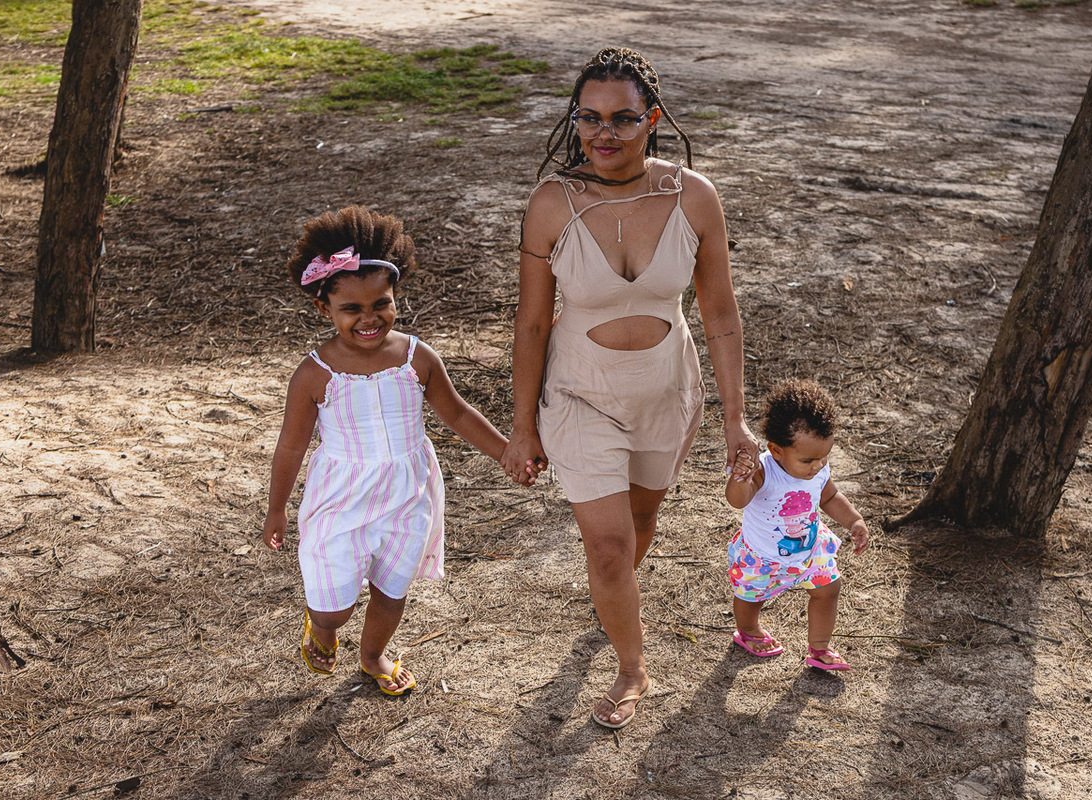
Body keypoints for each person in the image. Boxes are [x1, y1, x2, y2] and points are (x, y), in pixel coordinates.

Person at [501, 46, 760, 729]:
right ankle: (631, 667)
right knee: (609, 547)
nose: (603, 133)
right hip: (578, 393)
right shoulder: (551, 204)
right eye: (588, 118)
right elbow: (531, 324)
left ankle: (612, 600)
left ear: (654, 119)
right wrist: (522, 426)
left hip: (665, 391)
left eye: (622, 118)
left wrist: (736, 420)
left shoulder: (693, 197)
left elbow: (721, 313)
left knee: (641, 524)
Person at [263, 206, 516, 696]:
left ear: (395, 297)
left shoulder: (416, 358)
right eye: (351, 309)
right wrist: (277, 508)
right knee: (333, 606)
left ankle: (373, 654)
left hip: (407, 494)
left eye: (381, 304)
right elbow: (291, 446)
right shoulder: (315, 374)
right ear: (324, 308)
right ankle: (323, 629)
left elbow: (459, 414)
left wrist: (506, 452)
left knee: (391, 589)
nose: (368, 318)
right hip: (340, 497)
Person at [724, 379, 871, 670]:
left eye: (824, 456)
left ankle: (820, 647)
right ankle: (748, 630)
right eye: (808, 460)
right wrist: (740, 478)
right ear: (777, 450)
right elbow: (737, 500)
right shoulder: (763, 470)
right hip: (762, 555)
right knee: (750, 596)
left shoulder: (818, 467)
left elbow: (830, 496)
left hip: (809, 548)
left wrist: (854, 519)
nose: (818, 465)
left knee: (829, 589)